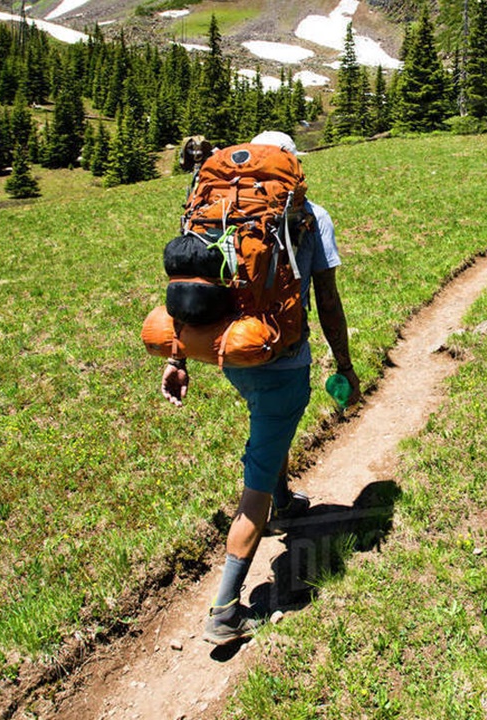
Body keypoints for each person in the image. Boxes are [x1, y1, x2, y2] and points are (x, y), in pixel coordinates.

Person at [159, 130, 362, 645]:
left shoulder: (224, 210)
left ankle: (285, 500)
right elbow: (329, 300)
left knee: (267, 429)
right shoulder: (310, 217)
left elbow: (191, 284)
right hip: (281, 358)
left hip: (229, 353)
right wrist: (345, 364)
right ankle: (225, 609)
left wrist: (178, 358)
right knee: (257, 475)